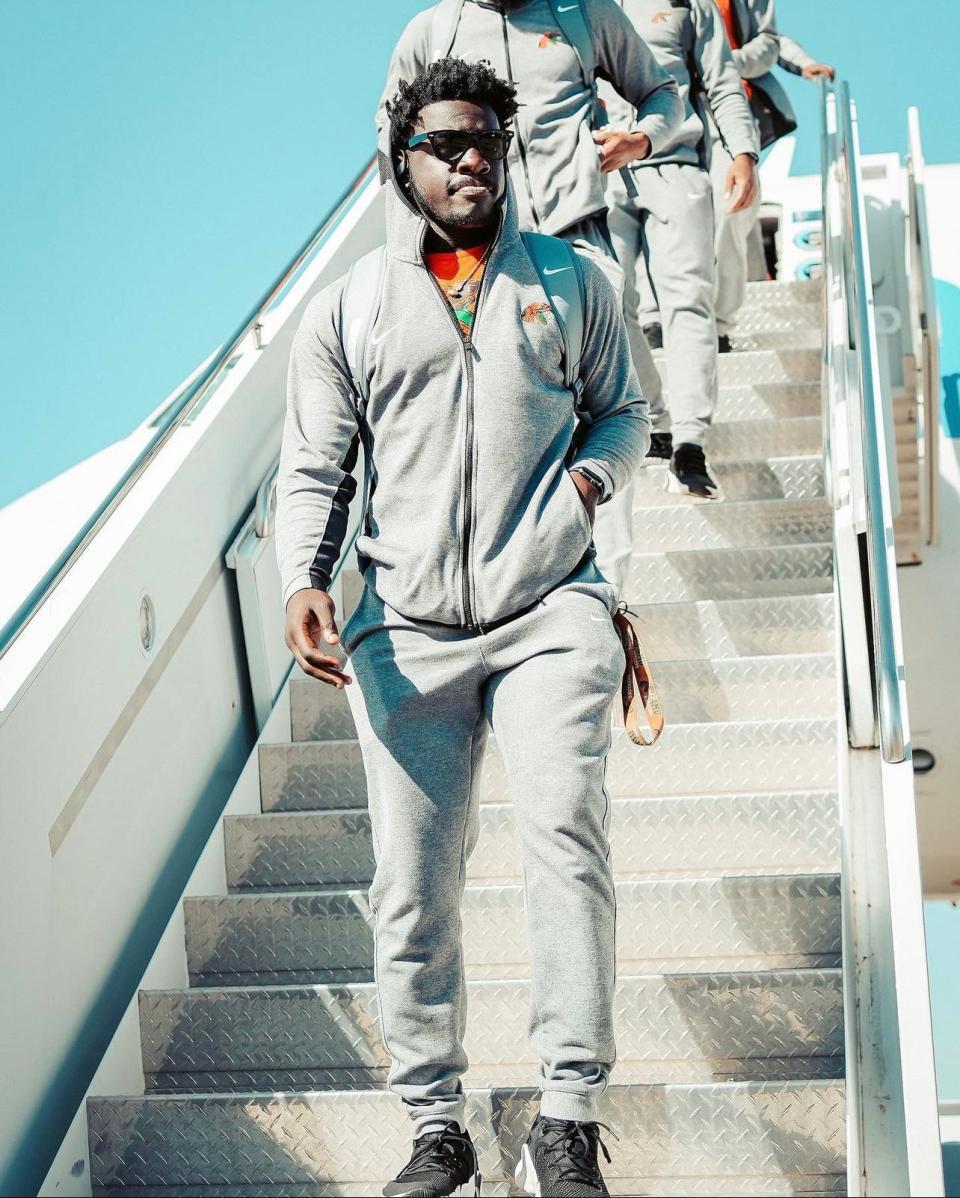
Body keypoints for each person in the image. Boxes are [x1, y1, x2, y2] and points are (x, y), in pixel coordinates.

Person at [276, 57, 650, 1198]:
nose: (471, 155)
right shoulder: (350, 308)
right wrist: (303, 572)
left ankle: (569, 1117)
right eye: (446, 140)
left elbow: (624, 408)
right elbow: (316, 463)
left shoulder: (572, 280)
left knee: (562, 836)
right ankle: (437, 1125)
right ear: (403, 162)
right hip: (407, 631)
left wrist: (586, 487)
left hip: (551, 610)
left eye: (487, 135)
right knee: (411, 883)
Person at [378, 0, 682, 595]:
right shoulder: (432, 29)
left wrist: (641, 139)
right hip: (478, 255)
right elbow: (392, 148)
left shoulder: (585, 13)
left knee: (602, 417)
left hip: (577, 235)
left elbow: (662, 93)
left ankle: (608, 594)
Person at [603, 0, 759, 500]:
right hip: (600, 175)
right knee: (608, 299)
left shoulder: (691, 7)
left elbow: (723, 83)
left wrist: (743, 152)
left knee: (688, 300)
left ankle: (690, 442)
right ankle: (656, 418)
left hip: (675, 166)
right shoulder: (578, 7)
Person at [711, 1, 835, 343]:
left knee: (734, 205)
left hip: (732, 109)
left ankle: (720, 324)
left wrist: (805, 64)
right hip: (674, 112)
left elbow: (769, 40)